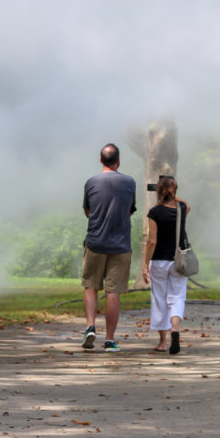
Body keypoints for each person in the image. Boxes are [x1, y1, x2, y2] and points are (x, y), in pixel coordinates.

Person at [81, 143, 136, 353]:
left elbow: (88, 210)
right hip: (120, 245)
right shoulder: (129, 182)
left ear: (101, 160)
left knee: (91, 285)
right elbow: (129, 210)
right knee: (113, 291)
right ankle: (110, 339)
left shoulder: (91, 182)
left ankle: (90, 327)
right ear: (119, 161)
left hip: (95, 242)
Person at [141, 175, 191, 354]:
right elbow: (188, 205)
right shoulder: (182, 208)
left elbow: (152, 241)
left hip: (160, 261)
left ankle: (162, 342)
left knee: (160, 300)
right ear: (175, 191)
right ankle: (175, 330)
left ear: (158, 192)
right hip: (178, 261)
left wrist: (145, 264)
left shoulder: (155, 212)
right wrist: (173, 195)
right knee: (177, 297)